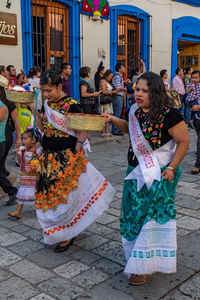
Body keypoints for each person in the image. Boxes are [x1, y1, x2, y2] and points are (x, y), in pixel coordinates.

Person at [103, 72, 189, 285]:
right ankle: (137, 257)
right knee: (135, 214)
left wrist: (171, 167)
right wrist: (114, 119)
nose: (138, 94)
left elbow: (184, 142)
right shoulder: (134, 111)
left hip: (160, 175)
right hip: (135, 172)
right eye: (136, 89)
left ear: (156, 92)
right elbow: (129, 130)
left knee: (151, 217)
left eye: (144, 91)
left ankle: (144, 266)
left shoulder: (171, 115)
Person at [30, 69, 115, 253]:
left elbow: (84, 127)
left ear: (59, 86)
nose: (45, 94)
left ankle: (67, 234)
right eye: (43, 91)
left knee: (64, 197)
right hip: (47, 155)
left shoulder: (72, 104)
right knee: (48, 195)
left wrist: (79, 141)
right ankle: (57, 230)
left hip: (65, 155)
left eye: (49, 90)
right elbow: (42, 126)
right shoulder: (45, 104)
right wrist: (32, 108)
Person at [8, 128, 42, 219]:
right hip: (25, 177)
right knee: (22, 194)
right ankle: (18, 212)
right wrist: (18, 154)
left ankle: (40, 213)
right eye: (23, 139)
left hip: (34, 179)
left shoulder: (38, 151)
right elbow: (20, 162)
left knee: (37, 195)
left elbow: (40, 163)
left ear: (33, 140)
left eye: (25, 139)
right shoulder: (23, 151)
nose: (23, 141)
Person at [0, 87, 21, 196]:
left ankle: (11, 191)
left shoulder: (7, 103)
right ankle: (10, 187)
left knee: (1, 166)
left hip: (5, 136)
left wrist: (18, 138)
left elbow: (16, 120)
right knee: (1, 168)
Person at [185, 70, 200, 174]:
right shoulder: (191, 85)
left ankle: (198, 165)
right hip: (197, 118)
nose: (194, 79)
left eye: (196, 77)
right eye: (193, 77)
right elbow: (186, 97)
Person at [99, 69, 117, 137]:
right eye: (110, 76)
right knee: (103, 117)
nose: (111, 78)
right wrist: (112, 92)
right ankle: (102, 132)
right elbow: (104, 92)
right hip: (104, 101)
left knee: (108, 117)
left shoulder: (108, 82)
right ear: (106, 75)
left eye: (112, 76)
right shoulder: (103, 81)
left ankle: (107, 131)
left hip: (108, 101)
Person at [112, 63, 127, 135]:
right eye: (123, 67)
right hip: (117, 96)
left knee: (118, 113)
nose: (124, 69)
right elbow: (118, 88)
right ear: (119, 69)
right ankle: (115, 130)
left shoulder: (119, 76)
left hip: (119, 96)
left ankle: (116, 129)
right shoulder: (117, 76)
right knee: (116, 113)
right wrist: (124, 89)